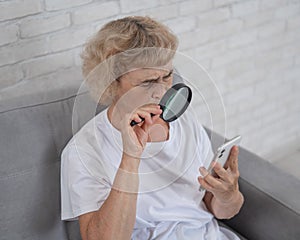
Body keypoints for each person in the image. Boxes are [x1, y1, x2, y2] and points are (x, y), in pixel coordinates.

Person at [61, 16, 244, 240]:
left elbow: (215, 208)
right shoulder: (84, 150)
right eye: (147, 82)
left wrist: (228, 195)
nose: (161, 91)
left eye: (167, 76)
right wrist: (130, 157)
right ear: (111, 83)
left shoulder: (185, 122)